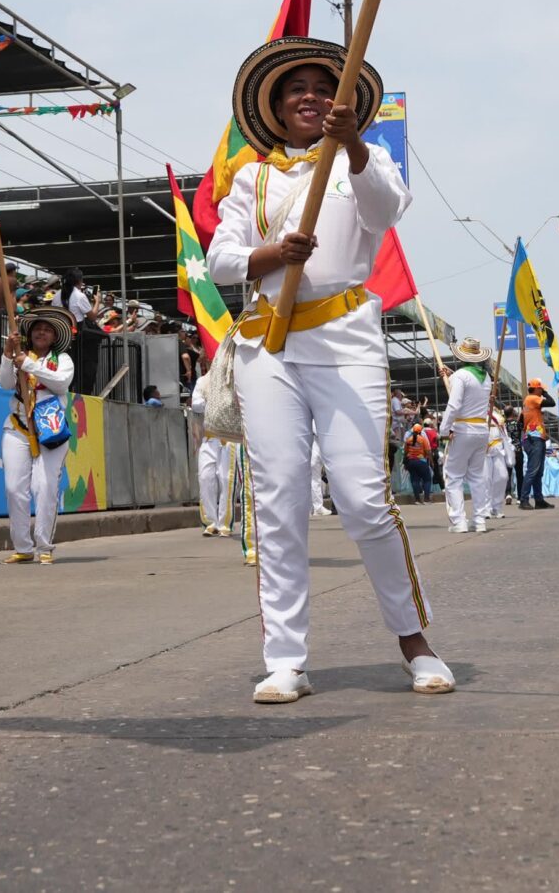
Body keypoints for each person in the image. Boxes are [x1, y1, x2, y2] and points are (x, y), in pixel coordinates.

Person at [204, 36, 450, 704]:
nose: (309, 95)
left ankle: (414, 641)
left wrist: (358, 148)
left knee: (365, 499)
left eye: (322, 87)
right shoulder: (250, 180)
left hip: (344, 342)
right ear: (277, 108)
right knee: (279, 502)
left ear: (342, 104)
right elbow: (219, 262)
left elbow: (387, 211)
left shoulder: (361, 165)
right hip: (268, 346)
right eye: (296, 89)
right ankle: (286, 659)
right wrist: (272, 254)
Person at [2, 309, 77, 563]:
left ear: (55, 335)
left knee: (44, 487)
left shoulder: (63, 359)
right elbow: (5, 384)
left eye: (47, 329)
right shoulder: (20, 357)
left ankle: (44, 545)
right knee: (14, 488)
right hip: (18, 427)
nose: (41, 332)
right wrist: (7, 355)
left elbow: (60, 384)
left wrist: (29, 365)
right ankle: (23, 547)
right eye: (37, 328)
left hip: (51, 431)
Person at [440, 338, 499, 533]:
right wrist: (450, 376)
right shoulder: (487, 378)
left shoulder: (461, 375)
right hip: (481, 430)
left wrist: (443, 429)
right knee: (476, 477)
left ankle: (459, 521)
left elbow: (455, 404)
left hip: (463, 428)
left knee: (454, 476)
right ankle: (479, 520)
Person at [191, 372, 230, 535]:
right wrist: (212, 398)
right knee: (206, 478)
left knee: (226, 479)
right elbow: (196, 405)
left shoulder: (232, 379)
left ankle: (224, 523)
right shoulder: (203, 381)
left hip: (229, 439)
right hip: (209, 438)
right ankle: (211, 521)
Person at [517, 386, 552, 509]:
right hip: (534, 438)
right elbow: (552, 403)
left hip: (534, 437)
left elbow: (519, 421)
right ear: (536, 389)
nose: (542, 392)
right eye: (541, 389)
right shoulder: (532, 398)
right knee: (533, 470)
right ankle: (523, 500)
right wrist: (546, 394)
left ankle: (538, 499)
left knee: (538, 471)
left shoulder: (527, 403)